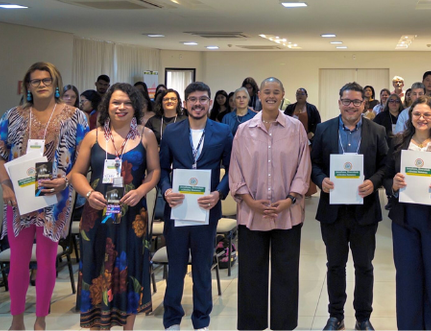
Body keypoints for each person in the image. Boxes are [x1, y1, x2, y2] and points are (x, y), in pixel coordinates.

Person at [0, 62, 89, 331]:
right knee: (18, 260)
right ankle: (17, 320)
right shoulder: (12, 116)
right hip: (18, 198)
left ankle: (40, 321)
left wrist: (65, 181)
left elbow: (82, 160)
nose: (42, 84)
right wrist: (5, 186)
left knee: (47, 261)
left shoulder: (75, 117)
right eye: (35, 81)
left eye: (47, 80)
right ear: (28, 86)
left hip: (55, 198)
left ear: (56, 83)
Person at [69, 83, 160, 329]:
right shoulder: (93, 136)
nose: (121, 107)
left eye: (127, 103)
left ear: (135, 107)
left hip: (133, 215)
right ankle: (97, 326)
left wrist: (141, 190)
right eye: (116, 102)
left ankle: (128, 328)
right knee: (96, 268)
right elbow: (76, 173)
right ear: (107, 106)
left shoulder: (146, 135)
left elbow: (154, 171)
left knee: (130, 270)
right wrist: (88, 193)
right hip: (96, 215)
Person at [230, 77, 311, 330]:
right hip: (251, 214)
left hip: (288, 213)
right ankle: (252, 325)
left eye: (276, 92)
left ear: (283, 95)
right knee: (251, 275)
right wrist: (249, 201)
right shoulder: (244, 130)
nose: (271, 96)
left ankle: (283, 325)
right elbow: (235, 169)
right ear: (260, 95)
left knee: (286, 274)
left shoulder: (295, 128)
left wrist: (290, 199)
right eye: (267, 91)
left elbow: (303, 168)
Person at [311, 82, 391, 331]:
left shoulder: (377, 131)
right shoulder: (323, 129)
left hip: (364, 211)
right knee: (335, 266)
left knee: (364, 267)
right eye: (346, 101)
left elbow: (386, 165)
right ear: (339, 103)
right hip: (332, 211)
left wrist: (374, 182)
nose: (351, 106)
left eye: (357, 101)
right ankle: (336, 316)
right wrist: (320, 179)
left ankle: (363, 317)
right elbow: (313, 163)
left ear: (364, 104)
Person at [160, 81, 233, 331]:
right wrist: (166, 190)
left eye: (203, 99)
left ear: (210, 102)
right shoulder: (172, 132)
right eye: (192, 99)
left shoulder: (222, 132)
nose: (198, 104)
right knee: (176, 267)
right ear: (185, 103)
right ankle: (172, 320)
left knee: (202, 268)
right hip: (177, 209)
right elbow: (162, 169)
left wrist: (219, 193)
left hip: (206, 209)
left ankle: (201, 321)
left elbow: (232, 170)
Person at [384, 96, 431, 330]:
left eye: (427, 114)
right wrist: (393, 185)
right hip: (404, 220)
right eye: (417, 114)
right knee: (407, 278)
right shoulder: (397, 143)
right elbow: (385, 175)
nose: (422, 118)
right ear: (410, 117)